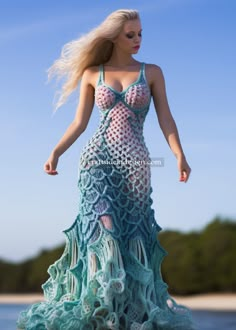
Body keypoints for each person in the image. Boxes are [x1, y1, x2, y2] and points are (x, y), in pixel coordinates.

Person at [17, 8, 195, 330]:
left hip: (136, 164)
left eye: (141, 33)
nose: (138, 39)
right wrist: (56, 152)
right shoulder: (91, 73)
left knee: (134, 237)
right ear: (114, 37)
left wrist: (179, 154)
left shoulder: (152, 72)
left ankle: (132, 314)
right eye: (131, 35)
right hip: (96, 163)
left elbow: (166, 119)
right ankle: (101, 314)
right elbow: (79, 123)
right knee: (103, 236)